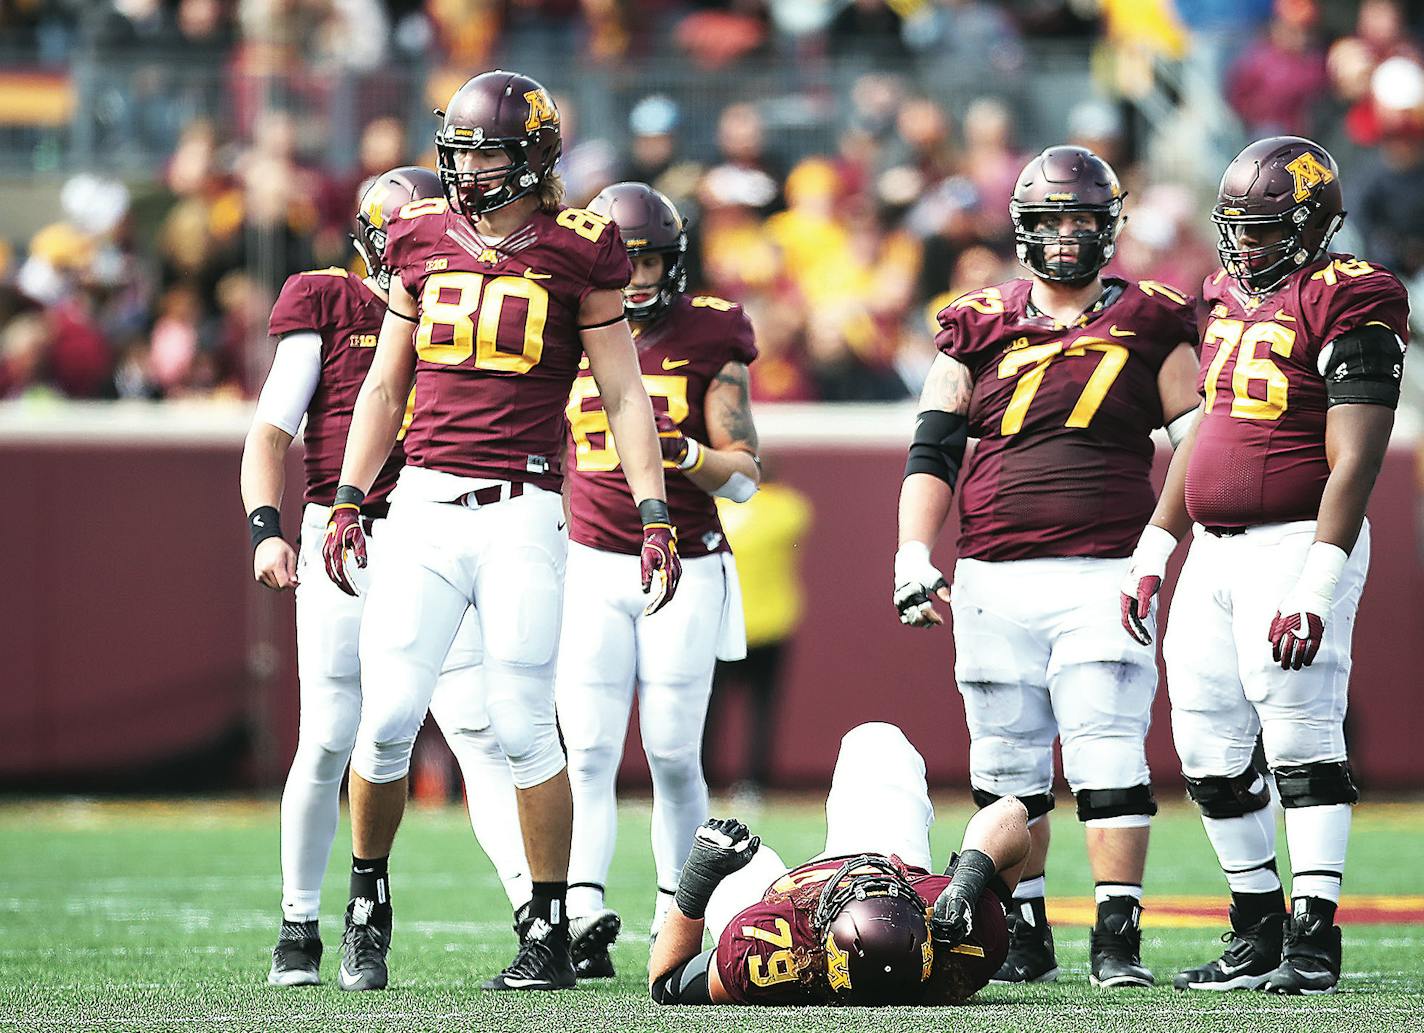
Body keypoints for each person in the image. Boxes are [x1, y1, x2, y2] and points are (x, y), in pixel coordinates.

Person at [320, 70, 679, 993]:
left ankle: (549, 929)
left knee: (526, 727)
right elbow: (386, 386)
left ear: (534, 159)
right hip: (426, 507)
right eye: (462, 149)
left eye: (486, 152)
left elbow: (623, 391)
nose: (466, 168)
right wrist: (353, 493)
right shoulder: (420, 236)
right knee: (390, 717)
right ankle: (366, 902)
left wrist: (652, 509)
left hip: (523, 507)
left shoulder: (580, 249)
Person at [892, 145, 1201, 988]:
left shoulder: (1155, 318)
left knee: (1108, 751)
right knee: (1005, 763)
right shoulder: (974, 320)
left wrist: (1157, 549)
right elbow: (933, 450)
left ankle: (1116, 936)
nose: (1067, 237)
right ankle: (1025, 930)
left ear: (1110, 227)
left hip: (1107, 567)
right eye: (1052, 221)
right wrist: (911, 551)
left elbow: (1194, 452)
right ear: (1023, 228)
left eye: (1083, 221)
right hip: (993, 571)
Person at [1121, 136, 1409, 994]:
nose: (1246, 243)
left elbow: (1355, 458)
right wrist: (1155, 544)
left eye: (1267, 226)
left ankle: (1315, 939)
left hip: (1296, 538)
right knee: (1203, 739)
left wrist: (1319, 581)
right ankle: (1257, 925)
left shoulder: (1351, 295)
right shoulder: (1221, 295)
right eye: (1237, 226)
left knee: (1299, 730)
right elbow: (1207, 428)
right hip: (1212, 549)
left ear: (1314, 222)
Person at [239, 166, 530, 987]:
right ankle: (299, 924)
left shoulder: (472, 292)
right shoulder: (329, 299)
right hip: (350, 530)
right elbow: (271, 432)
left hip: (439, 531)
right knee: (332, 731)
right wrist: (266, 530)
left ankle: (535, 915)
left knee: (476, 725)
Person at [557, 181, 760, 978]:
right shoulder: (562, 318)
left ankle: (678, 911)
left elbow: (744, 476)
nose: (637, 277)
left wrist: (682, 455)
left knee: (673, 751)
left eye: (650, 260)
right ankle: (579, 910)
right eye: (625, 258)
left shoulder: (712, 330)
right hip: (586, 557)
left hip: (685, 558)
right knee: (589, 749)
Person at [646, 722, 1029, 1006]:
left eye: (860, 886)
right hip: (894, 862)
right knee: (877, 740)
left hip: (789, 899)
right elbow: (1011, 814)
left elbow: (666, 982)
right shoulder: (967, 946)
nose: (863, 875)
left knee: (730, 862)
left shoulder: (769, 947)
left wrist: (697, 881)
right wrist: (966, 883)